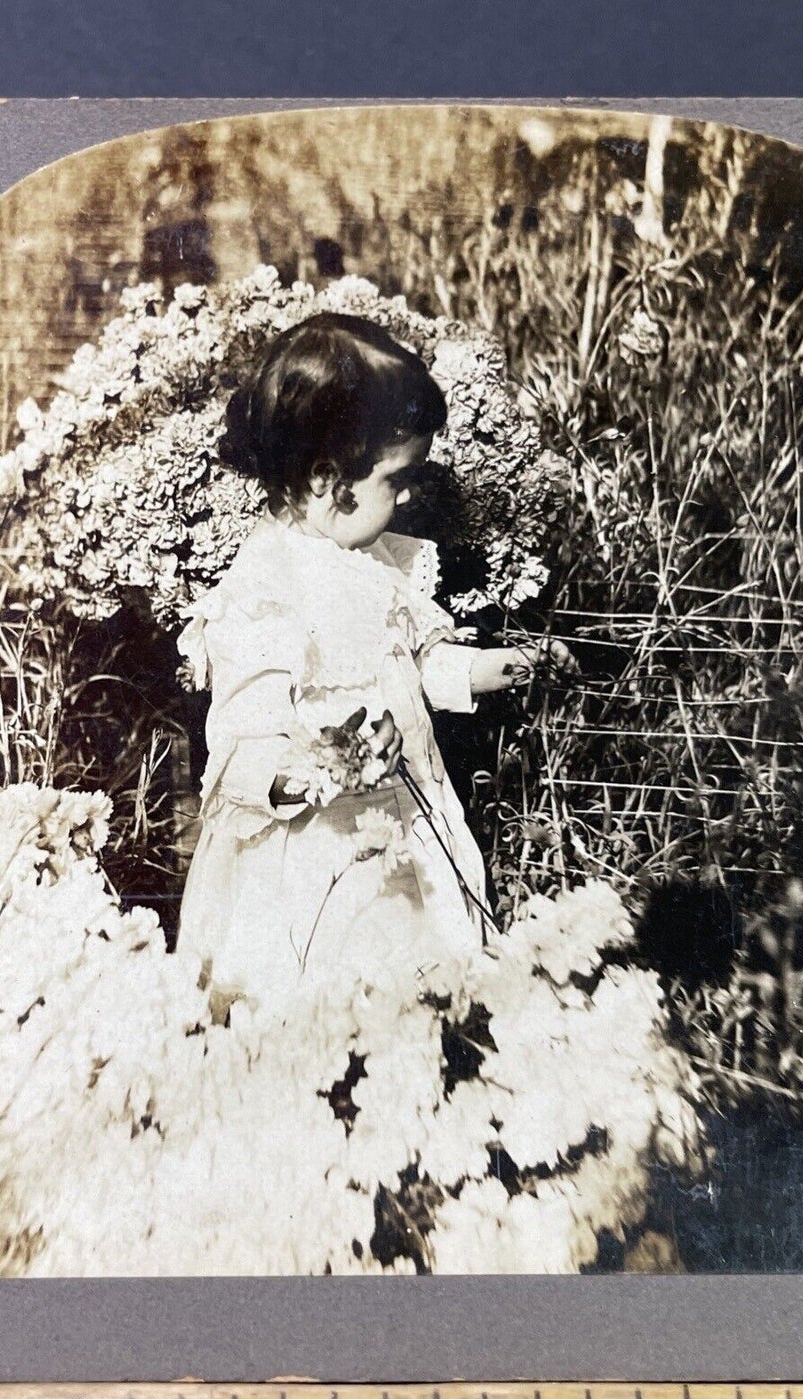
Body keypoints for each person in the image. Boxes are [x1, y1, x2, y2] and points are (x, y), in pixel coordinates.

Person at [175, 312, 566, 1018]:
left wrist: (492, 668)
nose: (412, 493)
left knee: (420, 982)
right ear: (327, 479)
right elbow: (241, 738)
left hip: (405, 821)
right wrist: (314, 767)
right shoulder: (267, 588)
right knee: (328, 992)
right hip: (317, 849)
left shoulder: (381, 565)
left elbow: (415, 662)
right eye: (399, 477)